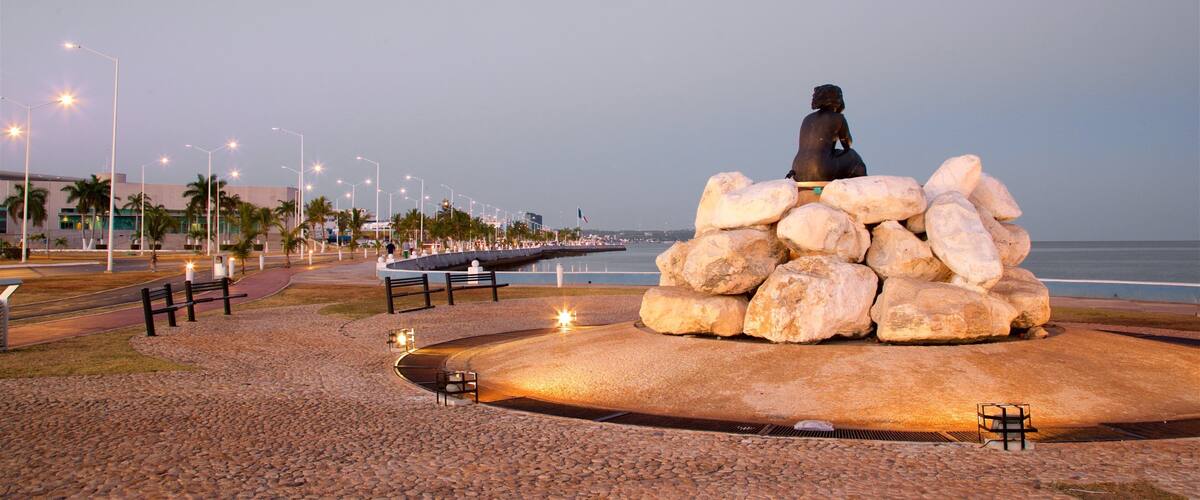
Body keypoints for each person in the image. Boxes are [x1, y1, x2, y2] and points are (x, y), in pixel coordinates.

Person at [788, 84, 868, 182]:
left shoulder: (807, 118)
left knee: (830, 155)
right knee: (853, 156)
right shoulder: (838, 118)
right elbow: (847, 145)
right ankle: (861, 188)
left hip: (798, 169)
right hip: (821, 170)